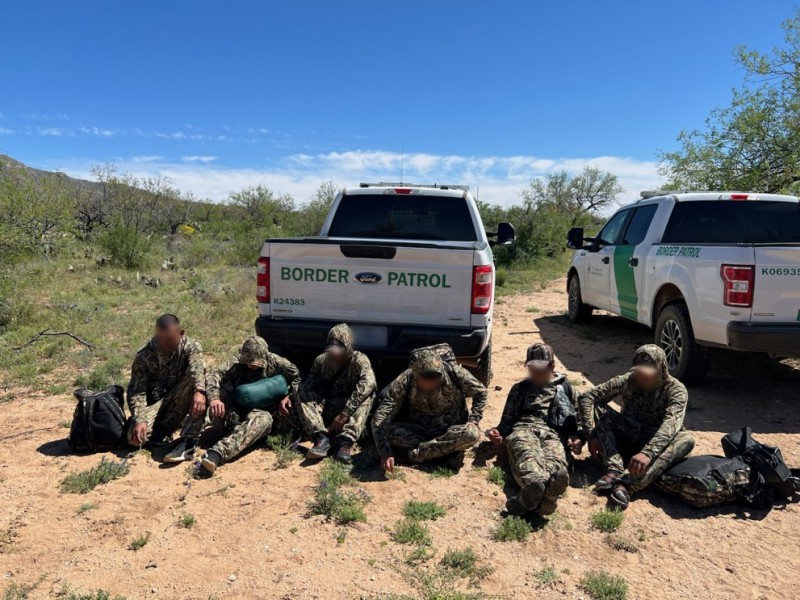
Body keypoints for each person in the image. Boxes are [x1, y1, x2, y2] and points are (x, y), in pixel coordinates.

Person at [577, 344, 695, 509]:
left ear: (661, 369)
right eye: (638, 372)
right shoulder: (627, 380)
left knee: (686, 440)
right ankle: (613, 468)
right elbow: (588, 397)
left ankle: (627, 485)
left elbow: (671, 423)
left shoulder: (676, 390)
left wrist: (648, 452)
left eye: (647, 374)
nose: (641, 378)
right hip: (630, 432)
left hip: (655, 442)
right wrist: (591, 435)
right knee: (602, 412)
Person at [181, 336, 301, 475]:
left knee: (264, 420)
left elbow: (297, 378)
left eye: (255, 363)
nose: (250, 366)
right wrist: (214, 399)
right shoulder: (236, 362)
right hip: (234, 405)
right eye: (247, 362)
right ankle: (187, 440)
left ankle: (216, 454)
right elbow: (214, 375)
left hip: (259, 410)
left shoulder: (279, 363)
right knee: (204, 397)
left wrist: (289, 396)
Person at [486, 343, 580, 516]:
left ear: (552, 366)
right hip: (525, 428)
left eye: (540, 369)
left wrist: (577, 437)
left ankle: (529, 499)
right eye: (532, 369)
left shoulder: (567, 389)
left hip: (555, 434)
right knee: (525, 452)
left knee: (556, 460)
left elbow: (578, 420)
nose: (535, 374)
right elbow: (506, 422)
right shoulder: (519, 389)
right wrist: (496, 432)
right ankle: (543, 495)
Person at [372, 349, 488, 473]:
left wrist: (474, 420)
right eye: (425, 378)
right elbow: (381, 416)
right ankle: (445, 453)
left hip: (450, 431)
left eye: (435, 377)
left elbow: (481, 392)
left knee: (471, 434)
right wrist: (385, 453)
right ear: (416, 375)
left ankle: (412, 455)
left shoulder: (456, 373)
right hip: (420, 431)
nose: (431, 382)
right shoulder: (406, 379)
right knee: (387, 431)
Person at [296, 324, 376, 464]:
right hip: (329, 405)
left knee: (368, 395)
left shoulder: (359, 360)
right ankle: (321, 438)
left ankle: (345, 443)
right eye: (331, 351)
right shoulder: (321, 361)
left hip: (349, 410)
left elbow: (369, 382)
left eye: (339, 351)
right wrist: (291, 395)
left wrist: (344, 414)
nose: (335, 355)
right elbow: (308, 387)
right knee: (300, 390)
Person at [125, 314, 207, 450]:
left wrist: (199, 391)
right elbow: (137, 391)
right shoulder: (144, 355)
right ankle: (155, 429)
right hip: (155, 405)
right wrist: (140, 420)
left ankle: (173, 431)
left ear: (181, 333)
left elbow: (197, 371)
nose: (163, 344)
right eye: (160, 339)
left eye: (169, 339)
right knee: (135, 440)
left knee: (196, 380)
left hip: (180, 400)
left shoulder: (191, 347)